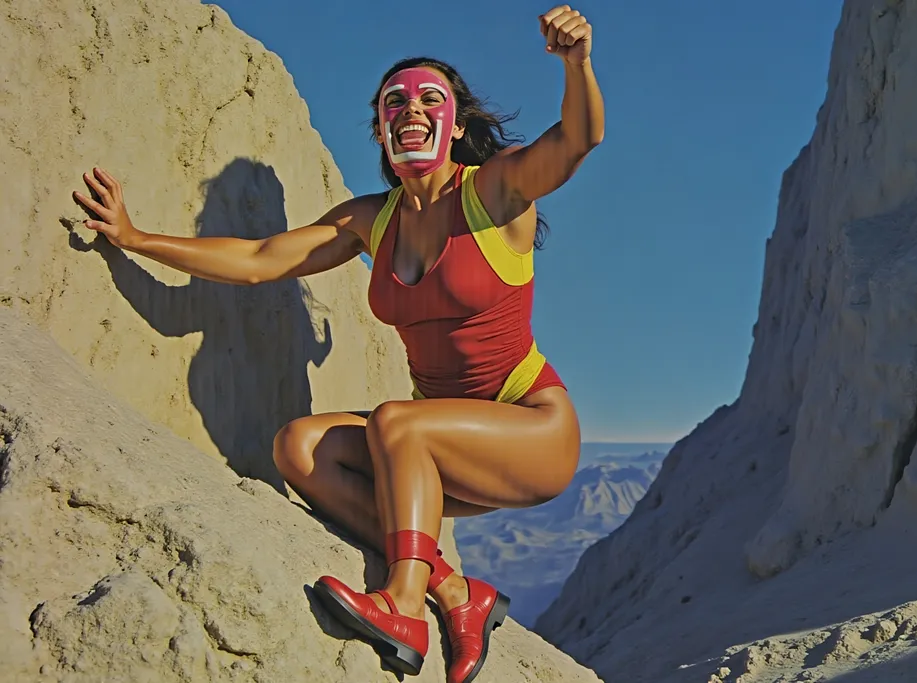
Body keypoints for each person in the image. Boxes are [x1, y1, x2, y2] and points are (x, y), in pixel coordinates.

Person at [72, 5, 603, 681]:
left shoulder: (495, 192)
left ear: (457, 125)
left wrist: (576, 62)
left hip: (533, 432)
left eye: (430, 99)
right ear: (382, 130)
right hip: (434, 448)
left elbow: (578, 140)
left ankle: (404, 603)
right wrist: (137, 236)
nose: (411, 110)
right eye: (395, 103)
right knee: (298, 448)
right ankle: (455, 591)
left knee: (396, 421)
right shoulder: (369, 222)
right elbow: (263, 257)